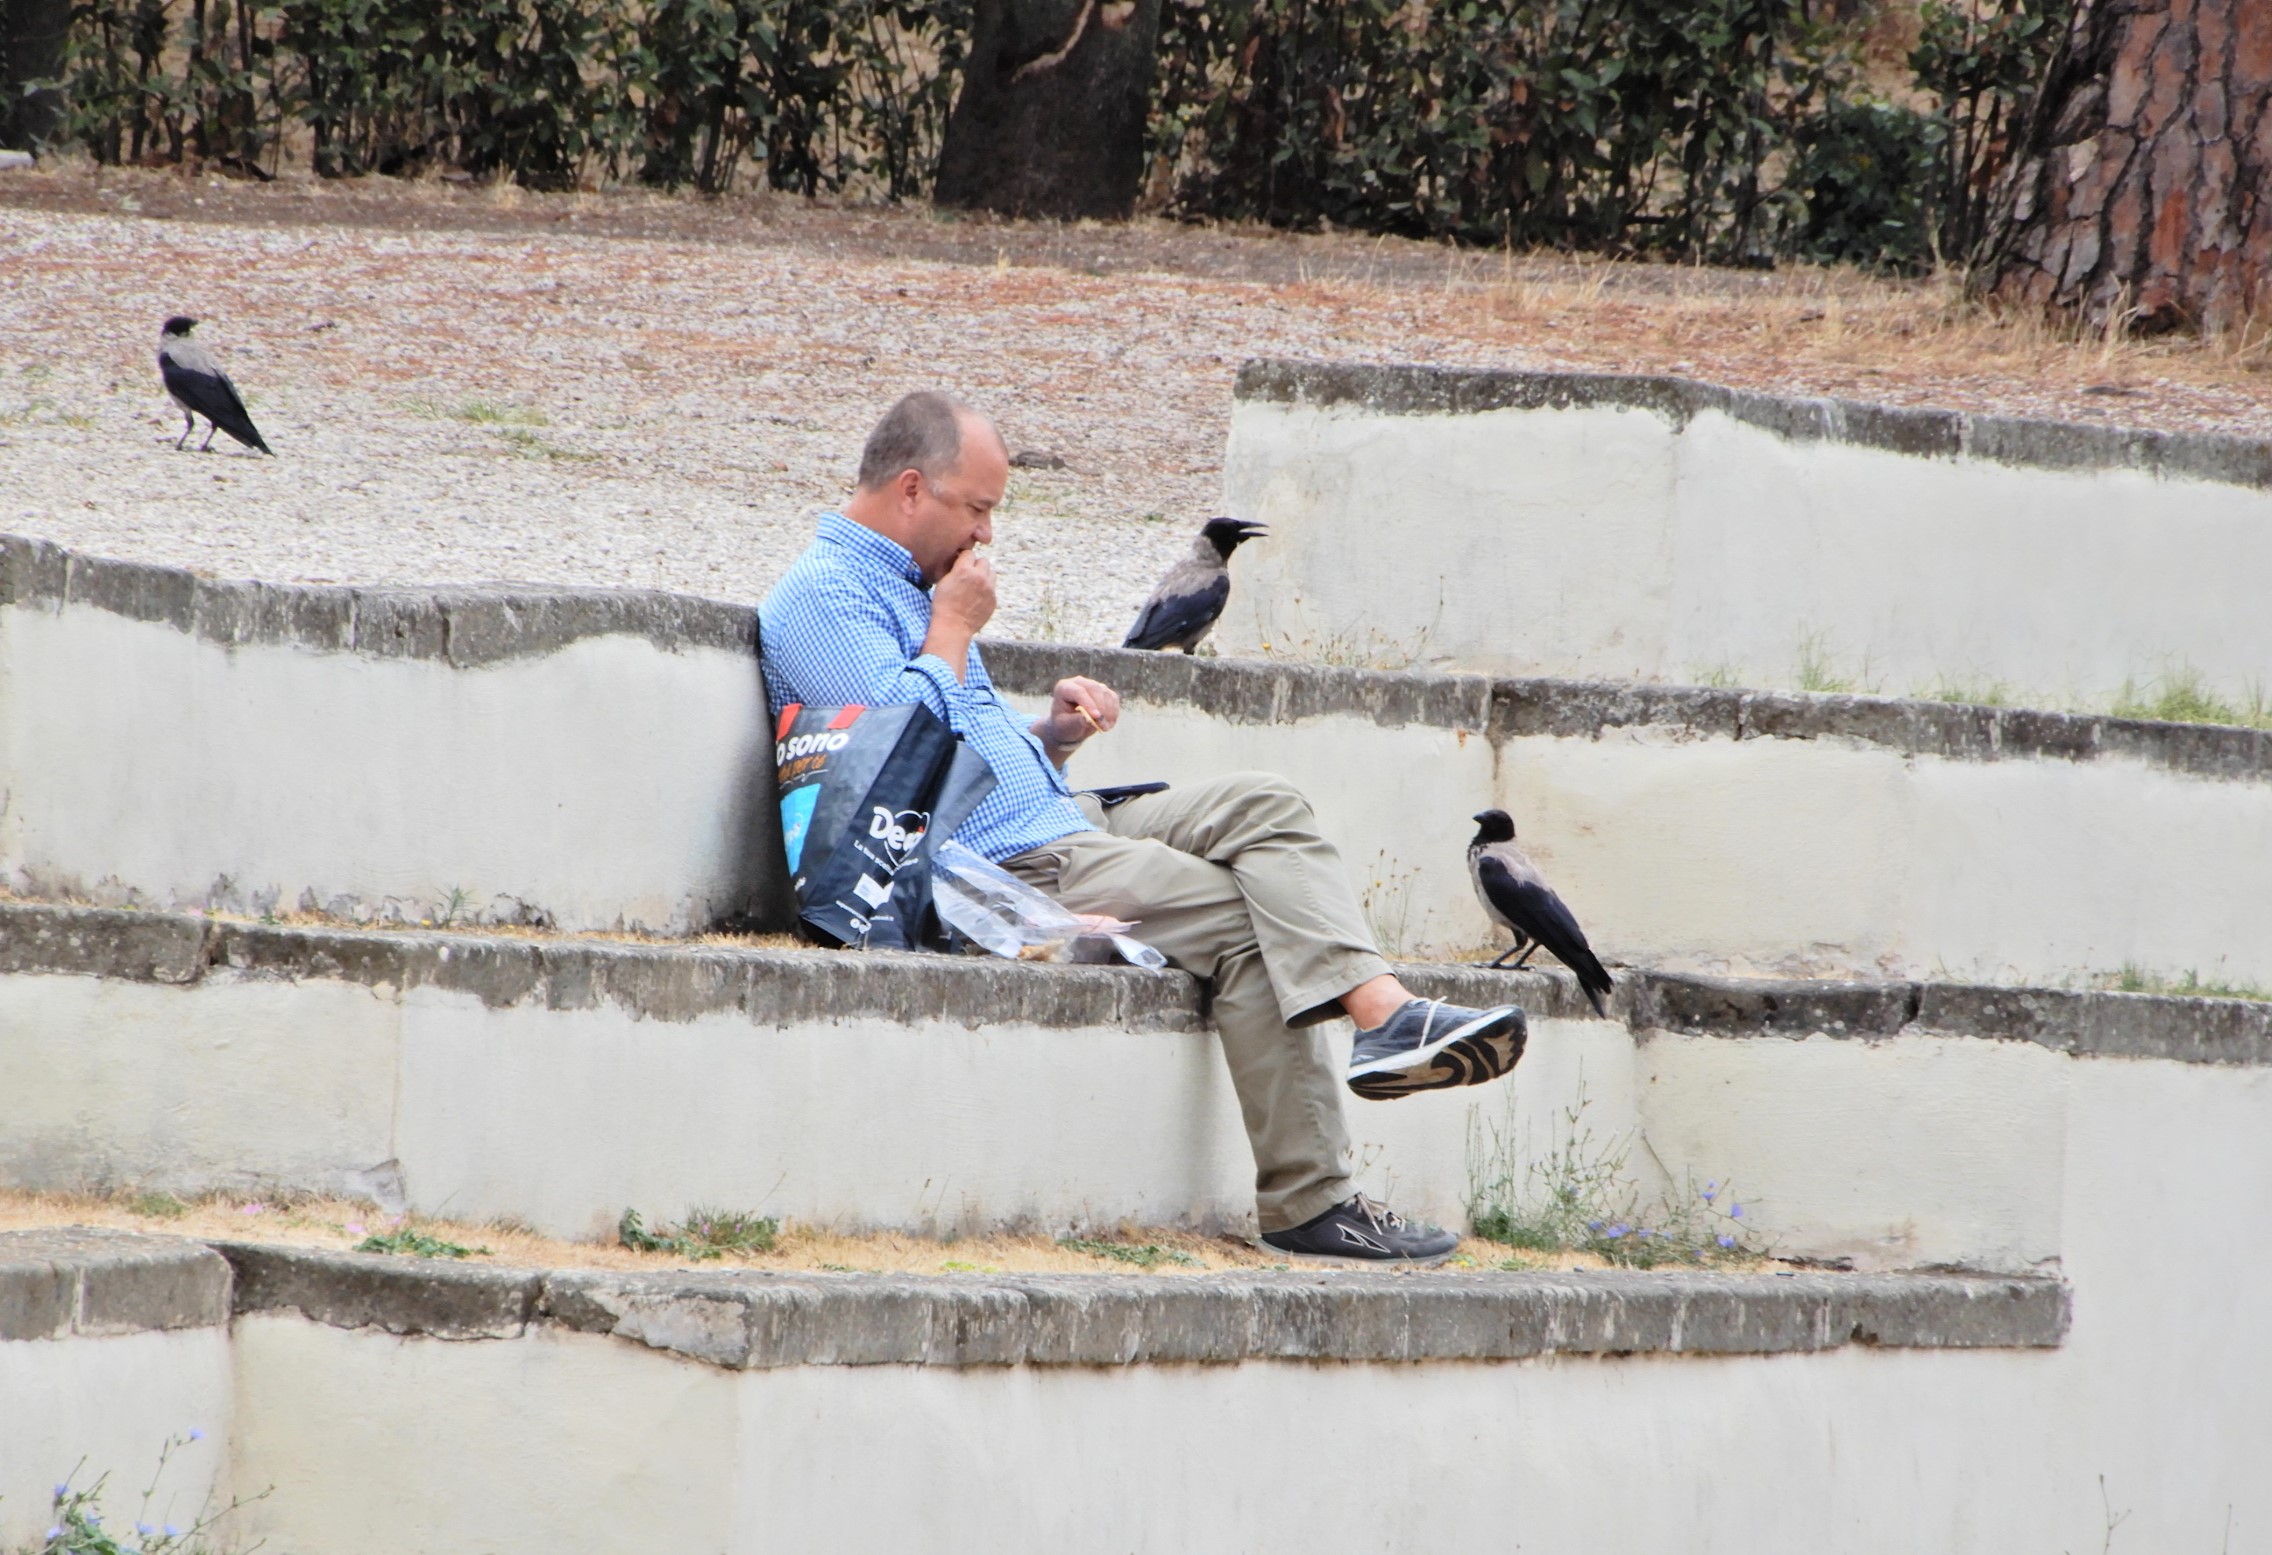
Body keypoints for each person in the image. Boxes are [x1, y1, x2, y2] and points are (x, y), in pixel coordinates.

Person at [759, 392, 1529, 1263]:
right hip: (1016, 859)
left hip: (1065, 813)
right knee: (1250, 921)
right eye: (977, 509)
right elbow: (892, 762)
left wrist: (1048, 732)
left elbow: (962, 732)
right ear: (910, 491)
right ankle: (1312, 1203)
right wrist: (952, 629)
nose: (986, 535)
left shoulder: (916, 588)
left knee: (1267, 801)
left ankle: (1387, 1013)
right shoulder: (822, 596)